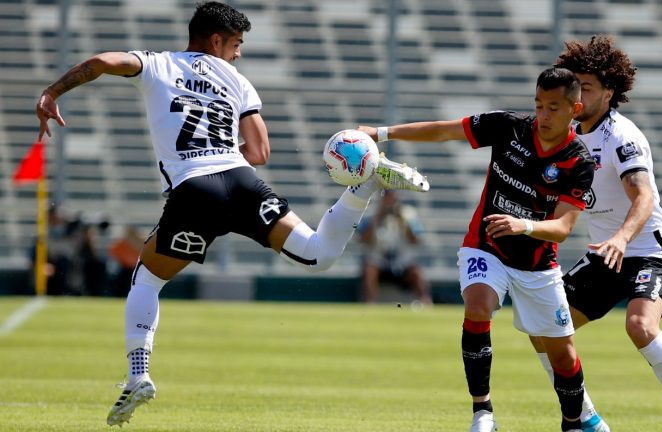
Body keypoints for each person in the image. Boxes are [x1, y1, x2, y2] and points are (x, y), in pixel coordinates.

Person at [35, 2, 429, 426]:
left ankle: (137, 375)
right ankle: (365, 184)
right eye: (236, 44)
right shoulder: (237, 81)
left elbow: (100, 62)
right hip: (241, 181)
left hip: (194, 189)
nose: (238, 54)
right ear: (216, 39)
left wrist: (52, 93)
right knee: (317, 255)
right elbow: (259, 152)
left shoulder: (157, 64)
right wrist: (221, 155)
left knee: (147, 277)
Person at [360, 68, 596, 432]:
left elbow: (563, 228)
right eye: (538, 105)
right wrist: (381, 133)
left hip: (537, 265)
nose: (543, 115)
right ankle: (483, 412)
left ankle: (573, 423)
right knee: (479, 305)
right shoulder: (508, 126)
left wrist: (526, 226)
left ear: (574, 108)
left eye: (553, 107)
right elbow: (444, 129)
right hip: (484, 247)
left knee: (563, 358)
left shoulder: (579, 161)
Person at [528, 35, 662, 432]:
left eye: (586, 87)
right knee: (544, 330)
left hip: (645, 249)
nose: (577, 94)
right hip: (604, 254)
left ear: (609, 92)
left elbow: (643, 197)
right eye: (573, 85)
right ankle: (588, 418)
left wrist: (623, 239)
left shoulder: (621, 137)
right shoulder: (566, 133)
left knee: (640, 326)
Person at [358, 190, 432, 305]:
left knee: (416, 273)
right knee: (369, 270)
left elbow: (416, 240)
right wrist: (378, 217)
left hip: (402, 260)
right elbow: (363, 239)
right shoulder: (370, 214)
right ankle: (369, 303)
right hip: (378, 259)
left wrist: (403, 221)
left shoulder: (408, 214)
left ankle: (426, 302)